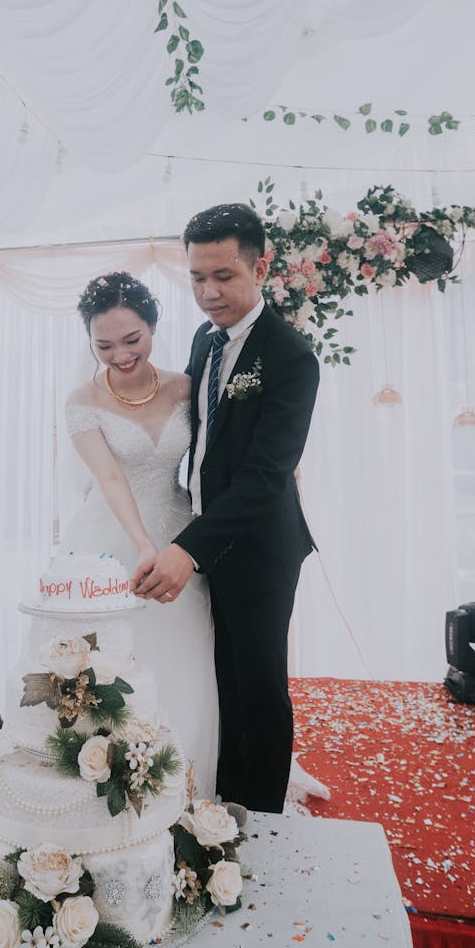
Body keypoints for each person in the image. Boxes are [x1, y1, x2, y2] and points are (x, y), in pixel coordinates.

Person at [132, 203, 320, 814]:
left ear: (260, 267)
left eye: (223, 276)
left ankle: (262, 822)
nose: (208, 293)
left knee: (257, 687)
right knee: (220, 681)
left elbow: (267, 475)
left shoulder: (292, 357)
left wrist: (188, 548)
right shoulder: (203, 340)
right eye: (196, 278)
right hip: (205, 534)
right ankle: (222, 802)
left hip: (261, 545)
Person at [61, 271, 219, 798]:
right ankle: (109, 783)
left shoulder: (185, 386)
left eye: (132, 340)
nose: (121, 355)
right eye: (104, 345)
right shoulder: (82, 402)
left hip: (180, 529)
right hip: (111, 536)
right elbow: (108, 479)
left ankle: (185, 780)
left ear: (153, 326)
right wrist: (144, 544)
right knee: (113, 661)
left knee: (186, 651)